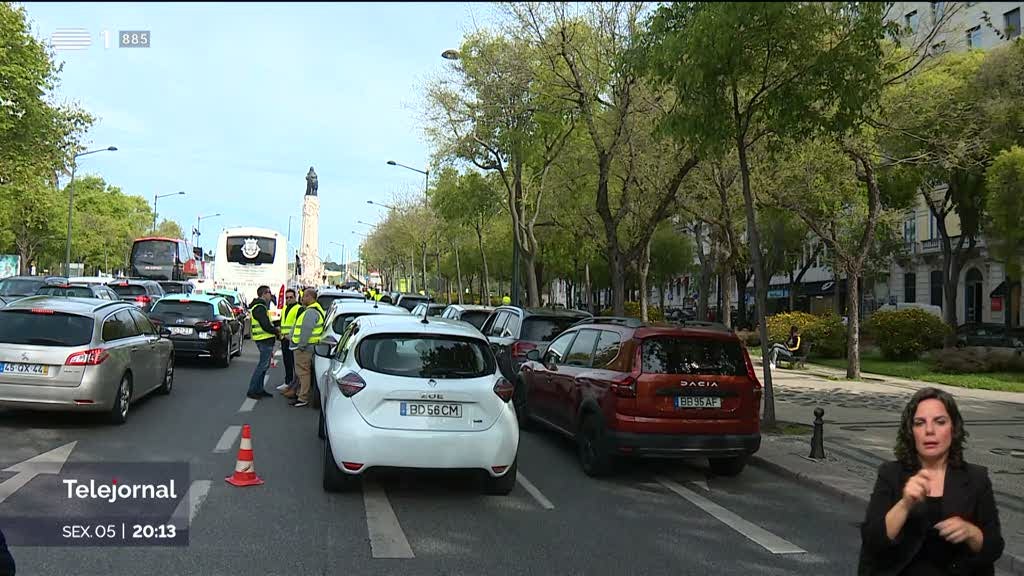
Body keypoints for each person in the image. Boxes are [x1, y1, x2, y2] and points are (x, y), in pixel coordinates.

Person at [858, 387, 1004, 575]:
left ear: (953, 428)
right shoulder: (891, 474)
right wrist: (904, 504)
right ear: (911, 432)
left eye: (939, 422)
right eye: (920, 423)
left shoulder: (976, 478)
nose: (929, 430)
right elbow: (872, 542)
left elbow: (994, 548)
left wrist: (971, 533)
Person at [289, 287, 325, 408]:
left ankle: (302, 397)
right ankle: (300, 394)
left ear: (310, 297)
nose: (302, 298)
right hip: (309, 346)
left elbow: (306, 330)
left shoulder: (311, 312)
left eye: (304, 296)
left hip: (305, 348)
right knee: (302, 372)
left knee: (303, 373)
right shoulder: (314, 310)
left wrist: (301, 345)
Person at [246, 285, 281, 400]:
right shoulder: (260, 307)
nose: (271, 296)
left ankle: (259, 389)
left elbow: (267, 323)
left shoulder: (261, 306)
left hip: (264, 339)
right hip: (264, 339)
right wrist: (277, 332)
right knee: (262, 366)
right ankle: (252, 390)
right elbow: (265, 325)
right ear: (264, 294)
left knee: (264, 366)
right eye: (269, 293)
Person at [276, 289, 302, 398]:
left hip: (293, 339)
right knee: (287, 361)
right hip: (284, 339)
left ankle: (294, 385)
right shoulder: (285, 308)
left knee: (294, 363)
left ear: (295, 297)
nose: (288, 299)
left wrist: (292, 337)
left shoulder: (299, 309)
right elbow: (282, 322)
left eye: (291, 297)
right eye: (287, 297)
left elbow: (299, 324)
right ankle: (287, 382)